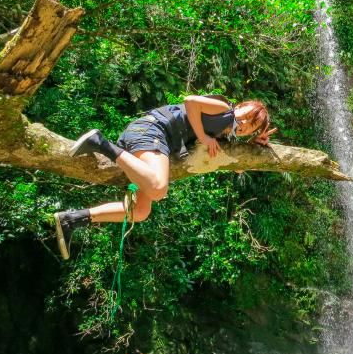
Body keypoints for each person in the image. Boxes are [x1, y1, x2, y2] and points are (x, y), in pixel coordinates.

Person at [52, 95, 276, 259]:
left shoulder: (223, 134)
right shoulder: (223, 109)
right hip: (151, 131)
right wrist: (202, 137)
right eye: (247, 116)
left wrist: (252, 147)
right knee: (159, 188)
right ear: (240, 106)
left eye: (251, 126)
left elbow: (236, 167)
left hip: (156, 142)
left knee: (140, 211)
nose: (245, 124)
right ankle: (100, 143)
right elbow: (191, 101)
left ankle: (72, 219)